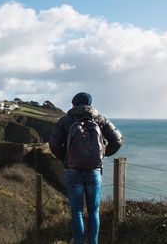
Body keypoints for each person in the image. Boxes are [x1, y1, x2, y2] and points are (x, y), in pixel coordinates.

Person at [49, 92, 123, 244]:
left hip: (73, 172)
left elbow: (54, 145)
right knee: (94, 212)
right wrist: (103, 154)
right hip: (94, 171)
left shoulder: (65, 120)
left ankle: (78, 242)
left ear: (74, 104)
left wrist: (67, 159)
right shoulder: (100, 119)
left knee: (76, 212)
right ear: (90, 104)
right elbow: (118, 141)